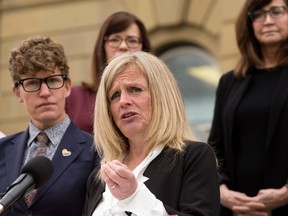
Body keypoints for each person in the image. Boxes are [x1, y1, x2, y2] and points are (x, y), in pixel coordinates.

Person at [85, 51, 220, 216]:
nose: (123, 101)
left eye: (135, 89)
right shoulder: (99, 177)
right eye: (115, 95)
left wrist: (135, 196)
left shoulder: (193, 157)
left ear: (161, 96)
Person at [0, 36, 99, 216]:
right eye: (32, 83)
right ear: (17, 92)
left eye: (53, 81)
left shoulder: (95, 151)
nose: (45, 93)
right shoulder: (1, 150)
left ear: (67, 87)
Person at [208, 0, 288, 215]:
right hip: (237, 209)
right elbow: (215, 147)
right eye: (259, 14)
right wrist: (220, 190)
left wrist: (285, 194)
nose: (268, 20)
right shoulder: (230, 82)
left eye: (276, 11)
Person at [65, 11, 152, 134]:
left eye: (132, 41)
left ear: (143, 48)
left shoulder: (154, 93)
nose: (123, 46)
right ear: (103, 46)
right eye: (115, 39)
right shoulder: (74, 97)